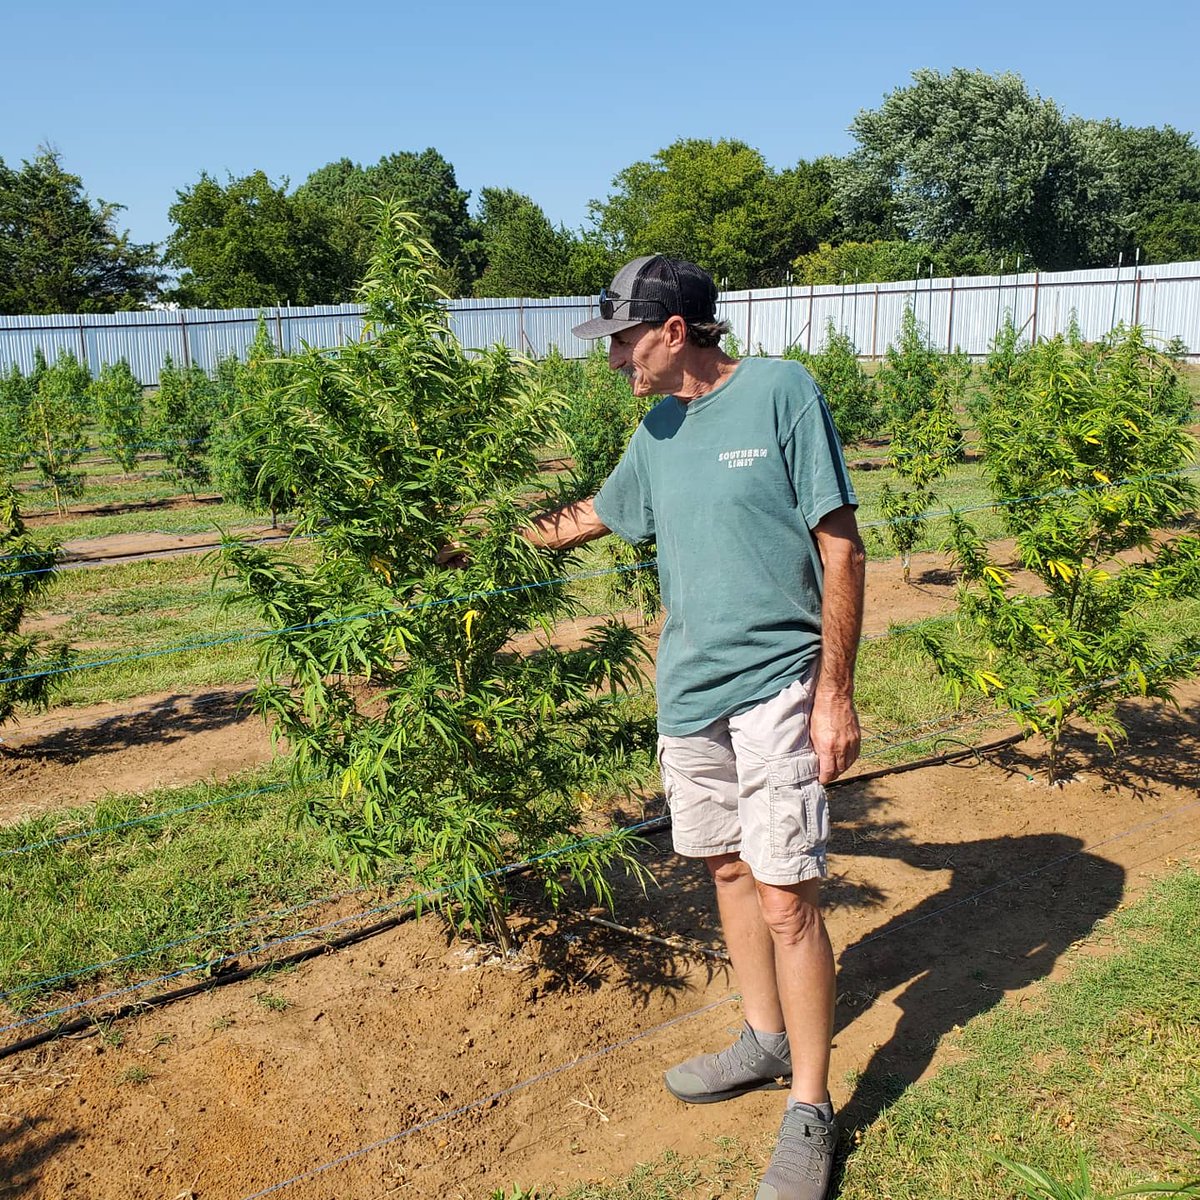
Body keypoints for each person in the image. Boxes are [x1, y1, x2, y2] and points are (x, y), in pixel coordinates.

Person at [526, 255, 864, 1200]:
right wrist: (469, 537)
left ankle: (811, 1109)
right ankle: (762, 1039)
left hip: (779, 685)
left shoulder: (782, 394)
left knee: (787, 893)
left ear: (674, 331)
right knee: (724, 867)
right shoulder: (660, 426)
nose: (613, 359)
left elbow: (840, 547)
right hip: (690, 694)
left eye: (624, 340)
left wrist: (835, 695)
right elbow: (594, 514)